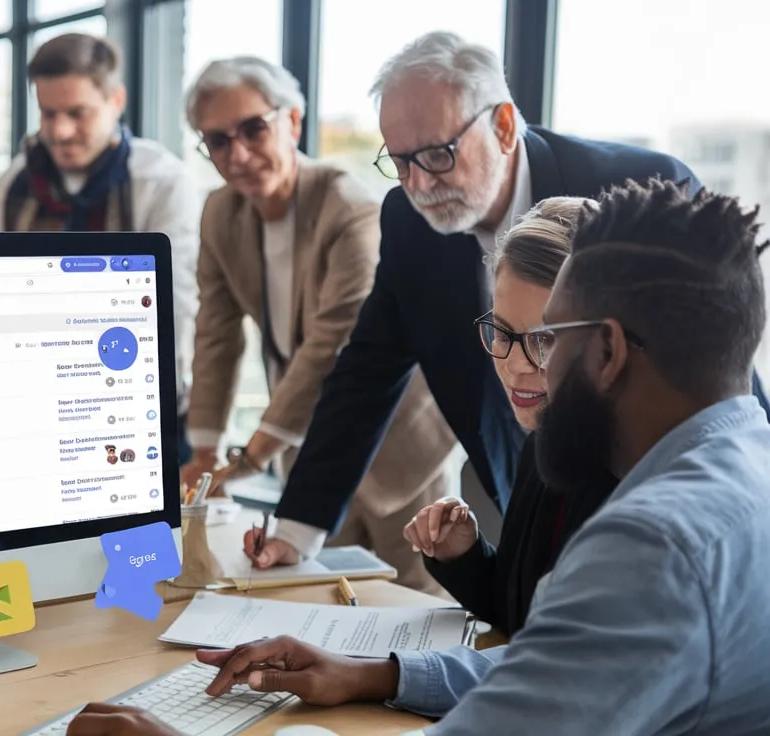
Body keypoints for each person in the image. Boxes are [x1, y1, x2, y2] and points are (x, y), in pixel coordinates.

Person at [71, 178, 770, 735]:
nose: (528, 372)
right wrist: (375, 674)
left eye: (551, 339)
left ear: (608, 350)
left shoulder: (654, 545)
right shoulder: (746, 464)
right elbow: (563, 677)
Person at [244, 31, 749, 571]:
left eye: (437, 155)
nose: (418, 185)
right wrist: (296, 529)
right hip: (528, 497)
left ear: (504, 125)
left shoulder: (639, 193)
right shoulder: (409, 223)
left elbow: (718, 372)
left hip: (673, 522)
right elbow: (367, 373)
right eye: (400, 161)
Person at [178, 56, 454, 594]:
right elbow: (216, 333)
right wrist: (205, 451)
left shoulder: (349, 209)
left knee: (421, 603)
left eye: (254, 129)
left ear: (293, 122)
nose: (238, 154)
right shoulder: (219, 213)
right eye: (217, 141)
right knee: (320, 600)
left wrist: (250, 455)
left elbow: (332, 343)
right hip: (312, 450)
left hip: (397, 440)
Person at [0, 33, 200, 466]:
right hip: (31, 416)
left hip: (137, 414)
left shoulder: (161, 183)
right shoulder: (13, 186)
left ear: (116, 100)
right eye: (48, 113)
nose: (59, 131)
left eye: (78, 113)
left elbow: (178, 309)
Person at [402, 196, 617, 637]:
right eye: (502, 332)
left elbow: (562, 654)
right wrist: (464, 556)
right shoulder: (545, 439)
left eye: (544, 340)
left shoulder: (628, 475)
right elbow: (520, 613)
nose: (514, 364)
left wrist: (386, 675)